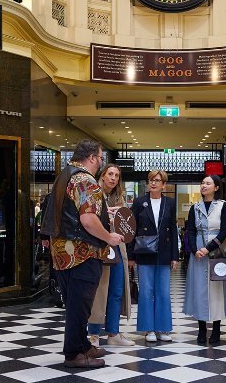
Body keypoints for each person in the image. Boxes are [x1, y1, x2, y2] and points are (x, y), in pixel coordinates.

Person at [47, 140, 123, 368]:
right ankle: (73, 354)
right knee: (80, 306)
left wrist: (102, 213)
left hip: (63, 253)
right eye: (100, 158)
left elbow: (76, 212)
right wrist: (109, 237)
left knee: (76, 303)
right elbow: (88, 221)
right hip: (82, 253)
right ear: (91, 158)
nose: (100, 162)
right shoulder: (85, 180)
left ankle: (82, 345)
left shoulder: (66, 175)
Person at [182, 175, 226, 345]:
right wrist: (194, 249)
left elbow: (225, 230)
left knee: (217, 288)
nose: (204, 186)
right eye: (202, 183)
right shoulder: (195, 207)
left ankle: (217, 329)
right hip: (198, 252)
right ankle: (201, 328)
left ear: (216, 187)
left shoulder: (223, 206)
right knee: (199, 290)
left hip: (217, 251)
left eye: (208, 183)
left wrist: (208, 247)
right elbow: (190, 229)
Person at [128, 169, 179, 343]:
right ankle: (148, 329)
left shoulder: (170, 203)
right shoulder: (139, 202)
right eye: (151, 180)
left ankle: (163, 328)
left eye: (157, 180)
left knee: (163, 292)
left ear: (164, 184)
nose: (153, 183)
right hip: (144, 252)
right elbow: (131, 230)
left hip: (164, 252)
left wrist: (175, 256)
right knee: (146, 291)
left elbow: (173, 230)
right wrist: (131, 256)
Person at [87, 164, 134, 347]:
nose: (113, 178)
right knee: (99, 292)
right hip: (99, 248)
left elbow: (126, 226)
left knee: (116, 291)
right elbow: (88, 219)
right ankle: (94, 334)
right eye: (110, 174)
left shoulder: (119, 198)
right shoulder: (94, 192)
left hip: (118, 249)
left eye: (116, 175)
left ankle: (113, 333)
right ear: (103, 175)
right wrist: (106, 214)